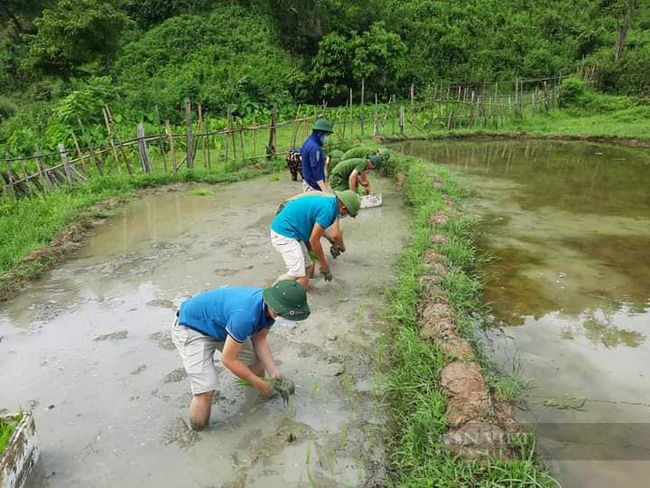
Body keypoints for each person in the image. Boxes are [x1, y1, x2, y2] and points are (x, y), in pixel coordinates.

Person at [171, 280, 310, 430]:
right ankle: (199, 432)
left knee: (256, 364)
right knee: (205, 389)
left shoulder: (269, 310)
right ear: (275, 305)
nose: (280, 317)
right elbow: (228, 359)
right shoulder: (245, 316)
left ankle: (258, 402)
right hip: (192, 327)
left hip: (223, 326)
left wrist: (274, 372)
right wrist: (259, 383)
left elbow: (260, 338)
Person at [270, 190, 360, 289]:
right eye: (348, 213)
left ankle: (300, 294)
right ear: (343, 208)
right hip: (285, 233)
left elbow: (315, 226)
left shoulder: (329, 202)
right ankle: (270, 295)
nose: (345, 216)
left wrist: (329, 239)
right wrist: (324, 265)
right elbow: (314, 240)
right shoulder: (329, 210)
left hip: (290, 228)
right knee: (295, 272)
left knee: (307, 266)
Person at [300, 119, 334, 193]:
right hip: (313, 186)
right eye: (327, 135)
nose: (327, 138)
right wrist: (324, 190)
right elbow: (316, 169)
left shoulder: (307, 142)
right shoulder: (315, 149)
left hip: (307, 181)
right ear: (320, 133)